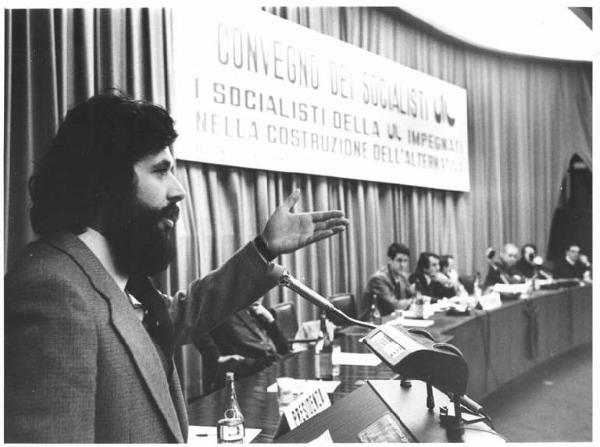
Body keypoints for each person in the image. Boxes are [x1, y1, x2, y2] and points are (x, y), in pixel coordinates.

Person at [4, 93, 348, 443]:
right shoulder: (51, 290)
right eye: (160, 170)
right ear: (106, 182)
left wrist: (264, 249)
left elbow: (180, 314)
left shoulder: (105, 273)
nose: (179, 190)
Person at [193, 299, 290, 393]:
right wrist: (216, 357)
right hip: (245, 379)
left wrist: (270, 320)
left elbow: (284, 349)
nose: (258, 297)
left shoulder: (258, 312)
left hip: (269, 373)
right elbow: (196, 326)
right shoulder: (223, 308)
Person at [362, 242, 414, 317]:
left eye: (405, 261)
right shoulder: (378, 279)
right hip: (372, 322)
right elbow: (393, 305)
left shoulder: (401, 276)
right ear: (390, 260)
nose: (402, 265)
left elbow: (413, 294)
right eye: (399, 260)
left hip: (391, 319)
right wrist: (411, 301)